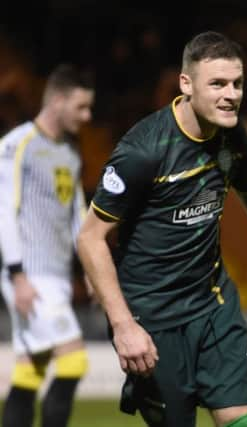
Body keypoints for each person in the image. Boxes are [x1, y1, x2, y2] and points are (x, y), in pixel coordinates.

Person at [76, 31, 247, 427]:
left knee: (243, 420)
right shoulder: (143, 151)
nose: (231, 94)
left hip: (214, 306)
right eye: (218, 84)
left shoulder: (233, 136)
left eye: (237, 83)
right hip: (152, 317)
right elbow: (90, 237)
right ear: (186, 84)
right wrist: (123, 325)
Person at [0, 64, 95, 427]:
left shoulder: (69, 153)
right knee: (75, 361)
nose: (86, 117)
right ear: (58, 100)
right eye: (81, 107)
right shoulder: (16, 145)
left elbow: (78, 216)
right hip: (30, 276)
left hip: (55, 276)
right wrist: (17, 275)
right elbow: (5, 213)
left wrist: (89, 267)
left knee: (29, 372)